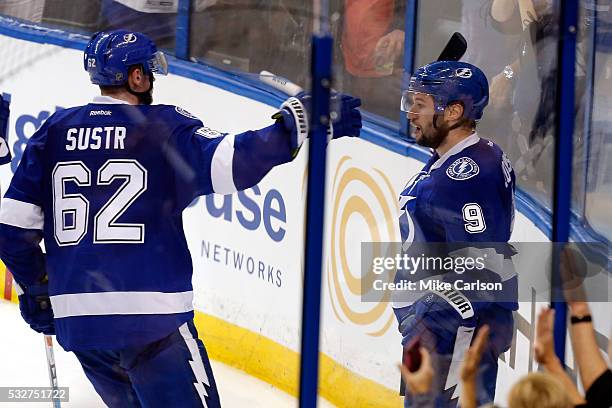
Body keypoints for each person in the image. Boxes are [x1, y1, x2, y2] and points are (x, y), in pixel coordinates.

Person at [0, 29, 361, 407]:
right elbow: (233, 162)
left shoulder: (54, 131)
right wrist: (292, 125)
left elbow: (12, 232)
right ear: (136, 77)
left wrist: (39, 288)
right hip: (151, 322)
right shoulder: (161, 128)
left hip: (83, 326)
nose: (152, 79)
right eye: (148, 71)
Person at [394, 60, 518, 407]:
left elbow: (481, 264)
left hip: (454, 334)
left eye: (420, 104)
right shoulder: (463, 156)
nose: (411, 114)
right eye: (411, 102)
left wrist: (428, 319)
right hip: (441, 330)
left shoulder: (468, 175)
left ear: (454, 112)